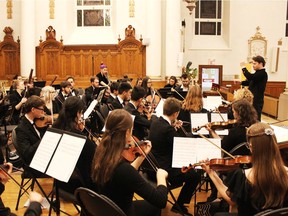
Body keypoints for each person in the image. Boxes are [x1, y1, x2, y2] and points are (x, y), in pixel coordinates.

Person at [91, 109, 168, 216]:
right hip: (123, 212)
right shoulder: (123, 168)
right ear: (127, 132)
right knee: (155, 206)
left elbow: (125, 174)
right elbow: (160, 200)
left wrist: (142, 156)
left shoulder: (100, 153)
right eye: (132, 130)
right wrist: (161, 177)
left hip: (108, 209)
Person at [201, 122, 288, 215]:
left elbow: (231, 201)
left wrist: (211, 174)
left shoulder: (244, 176)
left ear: (251, 147)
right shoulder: (286, 173)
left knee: (212, 212)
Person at [148, 97, 201, 216]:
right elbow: (182, 147)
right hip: (165, 170)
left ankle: (179, 204)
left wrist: (173, 128)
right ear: (176, 113)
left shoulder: (155, 121)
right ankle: (179, 205)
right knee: (195, 175)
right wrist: (177, 130)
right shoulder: (168, 129)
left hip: (153, 167)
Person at [52, 96, 96, 191]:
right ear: (77, 113)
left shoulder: (54, 130)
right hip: (80, 187)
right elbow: (93, 153)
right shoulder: (80, 139)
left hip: (59, 182)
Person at [15, 95, 48, 165]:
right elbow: (27, 153)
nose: (43, 112)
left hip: (44, 154)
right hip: (34, 163)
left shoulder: (38, 121)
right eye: (41, 109)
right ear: (33, 110)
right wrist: (44, 140)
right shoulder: (21, 129)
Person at [241, 56, 268, 121]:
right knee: (251, 115)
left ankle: (257, 129)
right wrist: (240, 82)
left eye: (254, 63)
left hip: (257, 99)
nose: (253, 65)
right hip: (252, 98)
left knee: (256, 116)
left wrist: (243, 68)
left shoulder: (262, 73)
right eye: (253, 63)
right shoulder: (257, 73)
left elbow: (250, 77)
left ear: (261, 63)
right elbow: (250, 82)